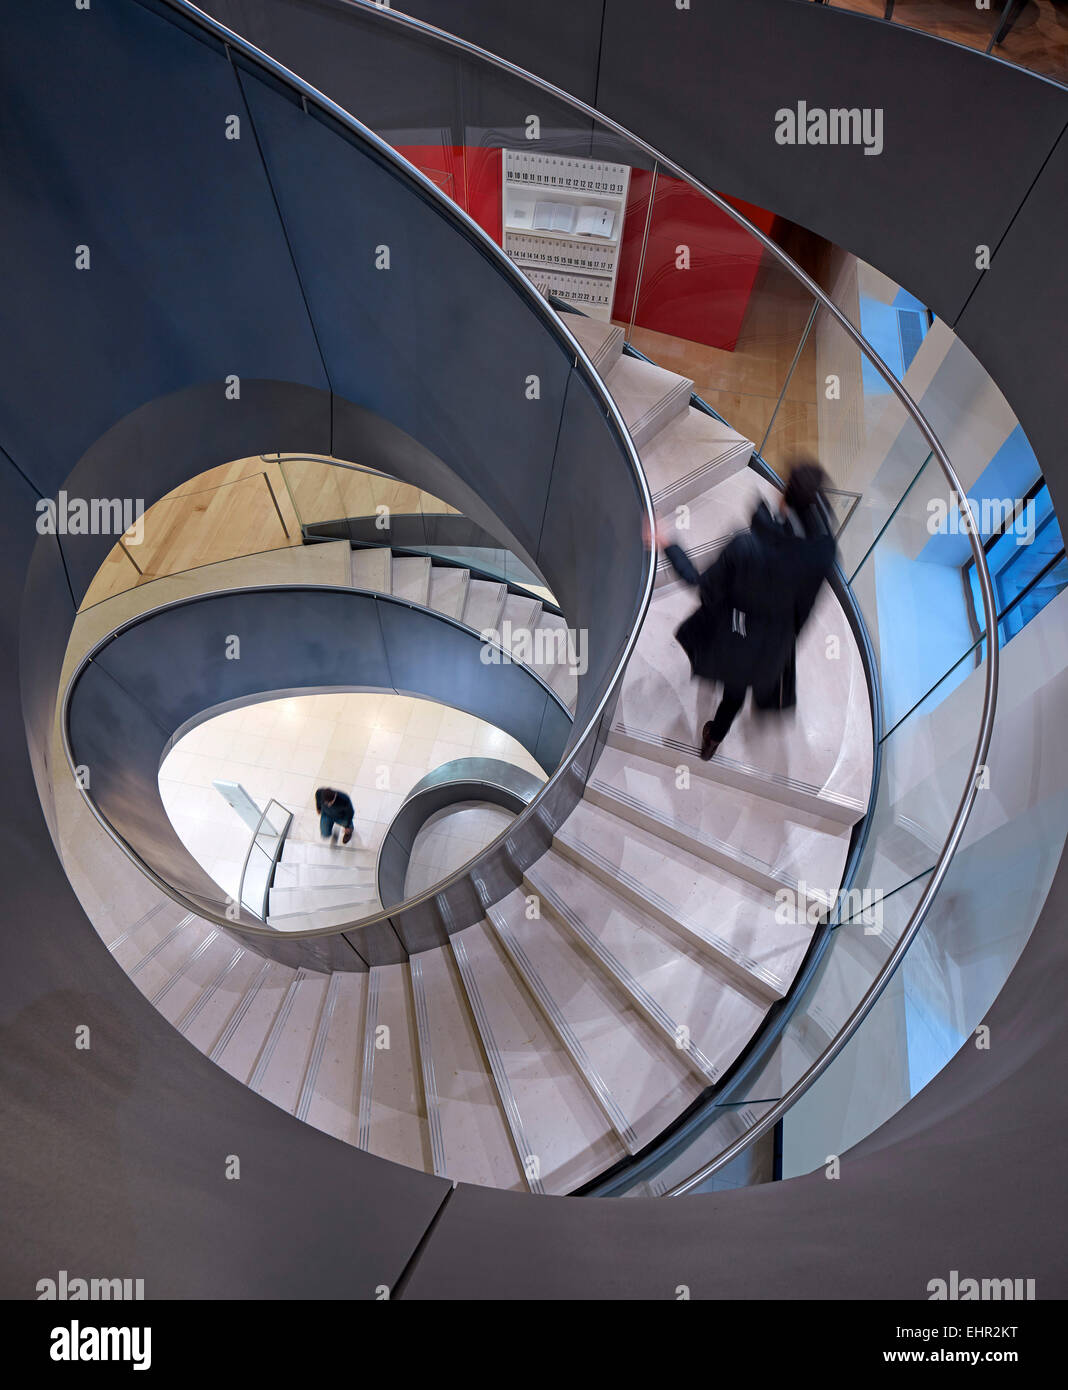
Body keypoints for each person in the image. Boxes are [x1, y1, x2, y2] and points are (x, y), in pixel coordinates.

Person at [647, 459, 836, 761]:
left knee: (733, 684)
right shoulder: (824, 553)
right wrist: (783, 646)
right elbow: (804, 612)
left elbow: (702, 585)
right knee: (739, 688)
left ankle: (713, 737)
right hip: (772, 645)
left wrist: (667, 543)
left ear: (784, 497)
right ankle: (713, 739)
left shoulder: (747, 547)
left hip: (735, 635)